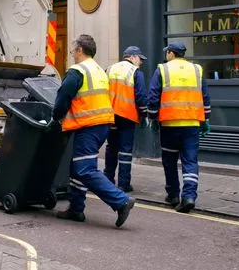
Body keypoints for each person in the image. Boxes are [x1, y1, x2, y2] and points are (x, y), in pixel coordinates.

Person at [51, 34, 135, 227]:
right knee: (77, 167)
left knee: (85, 169)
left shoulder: (77, 71)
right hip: (101, 124)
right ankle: (76, 209)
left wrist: (56, 116)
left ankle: (121, 201)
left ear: (80, 50)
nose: (72, 55)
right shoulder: (98, 70)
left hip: (88, 125)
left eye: (73, 51)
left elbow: (63, 98)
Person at [147, 40, 211, 213]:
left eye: (167, 52)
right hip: (191, 124)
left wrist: (153, 118)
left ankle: (173, 195)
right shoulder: (197, 70)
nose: (166, 54)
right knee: (190, 161)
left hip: (169, 124)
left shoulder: (162, 69)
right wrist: (205, 120)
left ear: (171, 53)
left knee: (169, 161)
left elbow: (153, 96)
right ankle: (189, 196)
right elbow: (204, 97)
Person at [104, 46, 149, 192]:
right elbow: (141, 96)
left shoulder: (109, 69)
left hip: (110, 116)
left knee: (111, 148)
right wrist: (144, 114)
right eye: (140, 59)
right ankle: (123, 183)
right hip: (127, 116)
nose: (141, 62)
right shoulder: (135, 72)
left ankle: (107, 179)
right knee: (125, 150)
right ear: (133, 56)